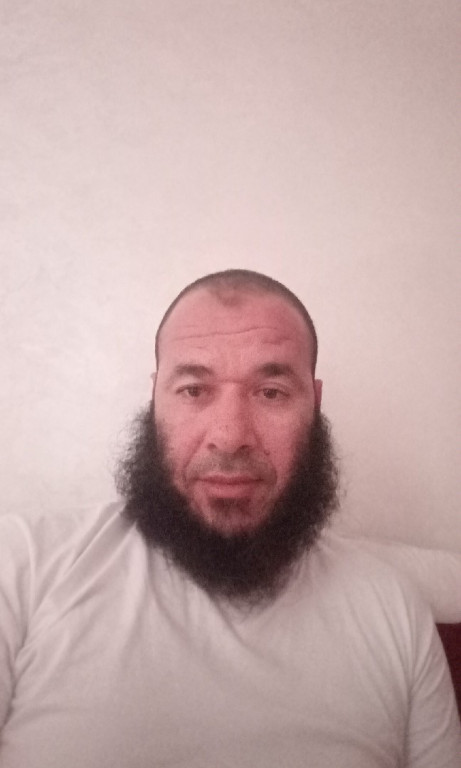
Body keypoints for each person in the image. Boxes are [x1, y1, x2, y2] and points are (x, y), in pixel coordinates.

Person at [0, 269, 460, 767]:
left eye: (271, 392)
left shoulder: (394, 610)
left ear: (315, 403)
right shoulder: (22, 565)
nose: (230, 436)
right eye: (194, 390)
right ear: (155, 399)